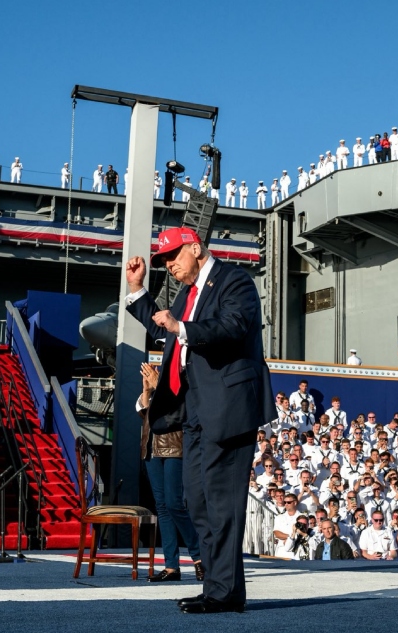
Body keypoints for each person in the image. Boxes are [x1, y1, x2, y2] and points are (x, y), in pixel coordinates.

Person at [124, 225, 270, 614]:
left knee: (221, 502)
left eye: (173, 257)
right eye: (164, 261)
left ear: (195, 248)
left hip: (228, 406)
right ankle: (217, 587)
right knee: (196, 500)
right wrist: (138, 290)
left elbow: (234, 325)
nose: (169, 265)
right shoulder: (187, 294)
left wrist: (182, 327)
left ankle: (224, 592)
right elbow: (166, 331)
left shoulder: (234, 280)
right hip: (195, 410)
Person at [139, 363, 203, 582]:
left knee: (174, 503)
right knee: (162, 507)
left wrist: (161, 387)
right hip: (150, 447)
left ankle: (199, 556)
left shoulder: (184, 378)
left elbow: (182, 412)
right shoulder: (158, 383)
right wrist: (148, 390)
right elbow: (146, 415)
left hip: (174, 446)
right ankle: (171, 566)